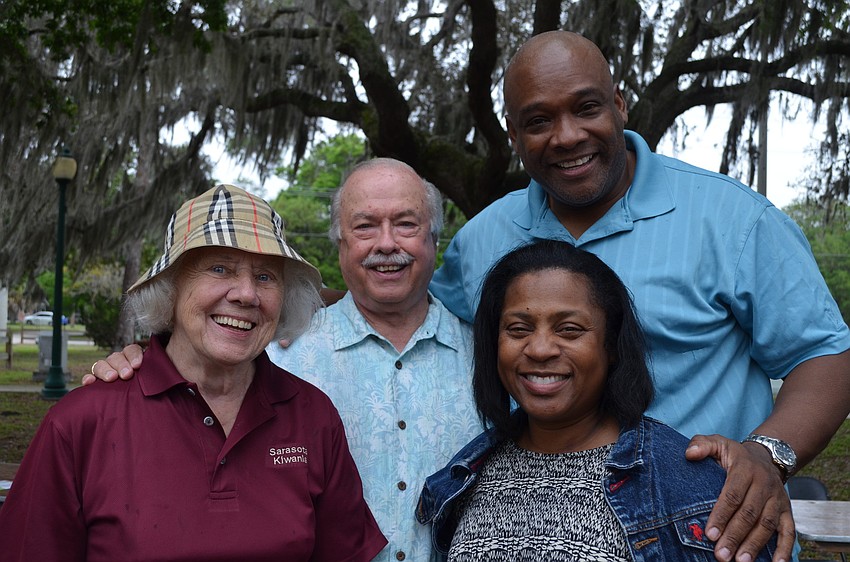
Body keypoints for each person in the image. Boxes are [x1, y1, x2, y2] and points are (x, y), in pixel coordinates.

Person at [427, 31, 850, 562]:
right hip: (524, 530)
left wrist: (768, 455)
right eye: (538, 121)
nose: (567, 136)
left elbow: (825, 353)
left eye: (587, 108)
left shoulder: (734, 220)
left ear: (619, 104)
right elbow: (418, 318)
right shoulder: (481, 239)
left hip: (706, 536)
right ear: (512, 133)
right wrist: (326, 305)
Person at [89, 161, 482, 562]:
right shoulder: (271, 353)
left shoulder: (490, 360)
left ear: (435, 237)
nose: (385, 243)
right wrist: (139, 368)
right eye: (365, 226)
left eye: (406, 224)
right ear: (340, 241)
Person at [0, 184, 387, 561]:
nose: (246, 294)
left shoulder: (312, 416)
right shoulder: (81, 423)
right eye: (219, 269)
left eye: (266, 276)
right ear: (170, 287)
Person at [418, 239, 777, 561]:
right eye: (518, 329)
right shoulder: (463, 477)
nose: (540, 349)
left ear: (612, 346)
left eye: (569, 330)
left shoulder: (691, 484)